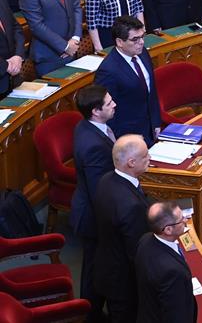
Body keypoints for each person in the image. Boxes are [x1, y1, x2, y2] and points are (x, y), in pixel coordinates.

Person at [93, 134, 151, 323]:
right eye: (145, 156)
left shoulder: (107, 180)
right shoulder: (131, 206)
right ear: (131, 163)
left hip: (106, 265)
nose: (149, 158)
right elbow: (136, 250)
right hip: (124, 280)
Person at [70, 84, 116, 319]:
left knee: (96, 266)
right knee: (94, 269)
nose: (115, 104)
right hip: (93, 217)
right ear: (96, 111)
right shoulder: (93, 146)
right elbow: (100, 190)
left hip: (90, 209)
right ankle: (91, 315)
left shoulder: (87, 126)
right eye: (109, 103)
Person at [95, 16, 161, 145]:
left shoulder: (142, 53)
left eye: (142, 36)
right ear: (119, 42)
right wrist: (119, 141)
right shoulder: (108, 70)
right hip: (128, 136)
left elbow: (151, 92)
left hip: (150, 128)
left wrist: (156, 121)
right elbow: (106, 111)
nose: (141, 42)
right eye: (135, 39)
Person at [135, 201, 196, 323]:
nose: (185, 220)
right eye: (181, 219)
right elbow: (176, 315)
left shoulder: (145, 240)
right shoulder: (172, 272)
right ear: (168, 230)